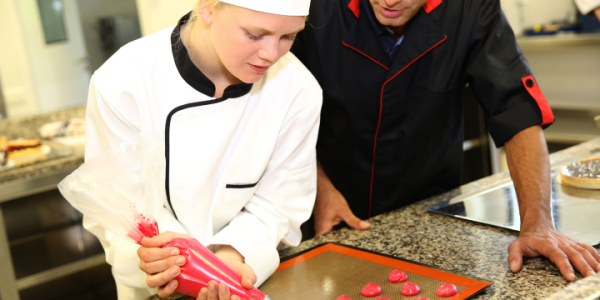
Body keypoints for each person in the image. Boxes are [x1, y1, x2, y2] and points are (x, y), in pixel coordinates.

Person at [291, 0, 600, 282]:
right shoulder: (315, 8)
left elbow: (516, 110)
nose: (389, 1)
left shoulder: (472, 9)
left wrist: (538, 224)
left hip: (428, 207)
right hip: (325, 201)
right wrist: (320, 190)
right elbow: (283, 115)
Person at [83, 0, 321, 299]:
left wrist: (233, 256)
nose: (270, 54)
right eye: (254, 35)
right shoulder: (124, 80)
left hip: (244, 279)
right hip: (155, 288)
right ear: (208, 7)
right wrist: (174, 261)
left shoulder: (298, 89)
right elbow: (119, 204)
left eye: (288, 37)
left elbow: (280, 205)